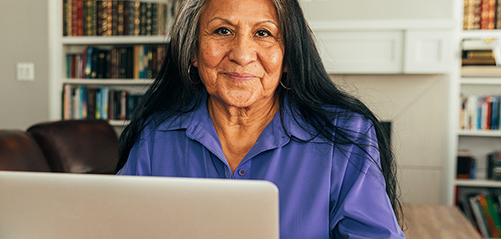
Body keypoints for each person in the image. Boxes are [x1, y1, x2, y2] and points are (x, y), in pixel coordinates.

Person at [115, 0, 405, 238]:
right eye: (222, 31)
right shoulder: (156, 135)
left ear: (289, 57)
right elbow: (115, 227)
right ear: (192, 51)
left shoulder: (345, 135)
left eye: (263, 33)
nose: (242, 54)